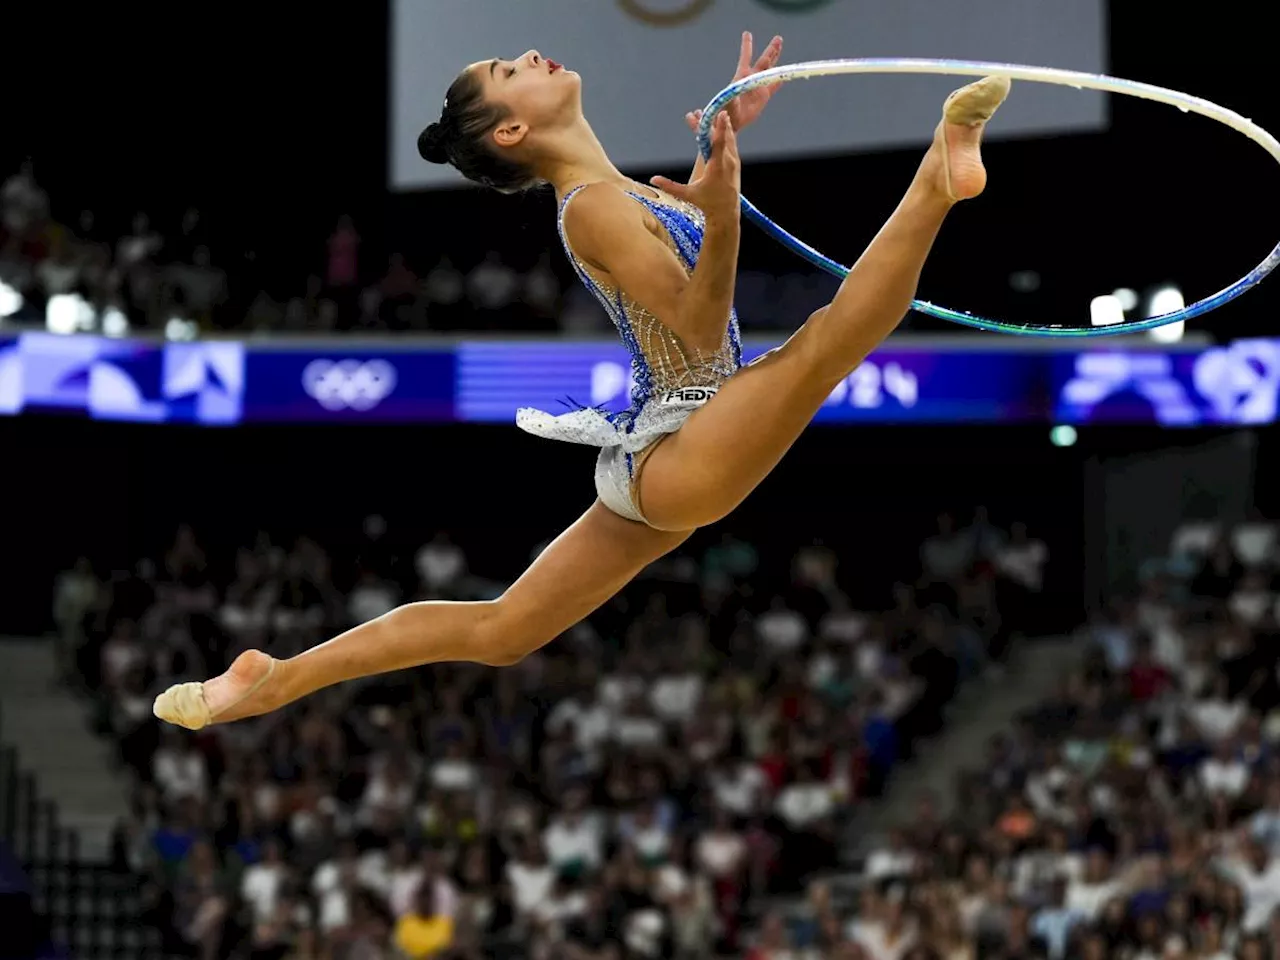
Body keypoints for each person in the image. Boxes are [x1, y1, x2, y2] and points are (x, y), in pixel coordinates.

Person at [154, 33, 1011, 730]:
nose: (530, 54)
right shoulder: (592, 206)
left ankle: (275, 680)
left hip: (673, 445)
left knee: (501, 631)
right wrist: (722, 211)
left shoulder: (615, 191)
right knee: (825, 342)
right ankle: (939, 174)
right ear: (510, 133)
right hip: (687, 434)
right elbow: (703, 326)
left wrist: (724, 146)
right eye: (508, 70)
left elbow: (702, 298)